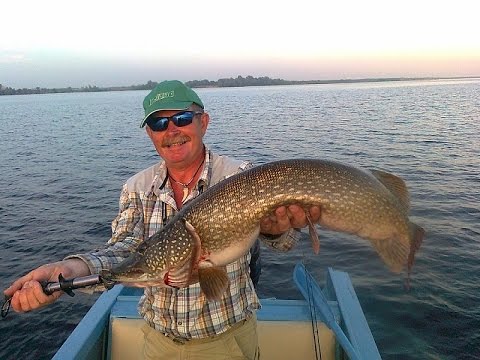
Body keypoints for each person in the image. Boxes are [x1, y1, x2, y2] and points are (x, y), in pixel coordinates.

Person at [4, 80, 321, 359]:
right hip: (157, 343)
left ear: (203, 122)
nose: (171, 131)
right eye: (159, 123)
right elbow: (125, 249)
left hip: (228, 341)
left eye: (181, 118)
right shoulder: (137, 187)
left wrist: (276, 231)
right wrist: (69, 270)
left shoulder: (240, 175)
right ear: (149, 133)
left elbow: (283, 243)